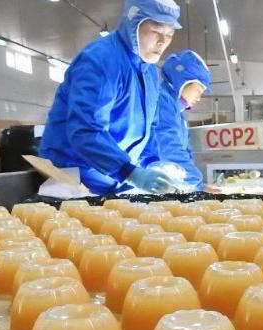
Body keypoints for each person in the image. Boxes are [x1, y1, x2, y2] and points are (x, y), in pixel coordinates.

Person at [38, 0, 184, 195]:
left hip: (113, 178)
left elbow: (148, 128)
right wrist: (129, 172)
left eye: (169, 35)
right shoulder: (100, 61)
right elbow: (85, 131)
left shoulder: (148, 72)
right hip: (72, 178)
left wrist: (152, 163)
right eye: (156, 31)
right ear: (134, 22)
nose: (162, 42)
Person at [145, 49, 212, 191]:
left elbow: (185, 150)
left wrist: (195, 184)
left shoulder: (177, 112)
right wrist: (195, 184)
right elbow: (169, 146)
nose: (199, 98)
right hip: (152, 182)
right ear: (183, 81)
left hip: (165, 184)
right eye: (199, 90)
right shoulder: (162, 101)